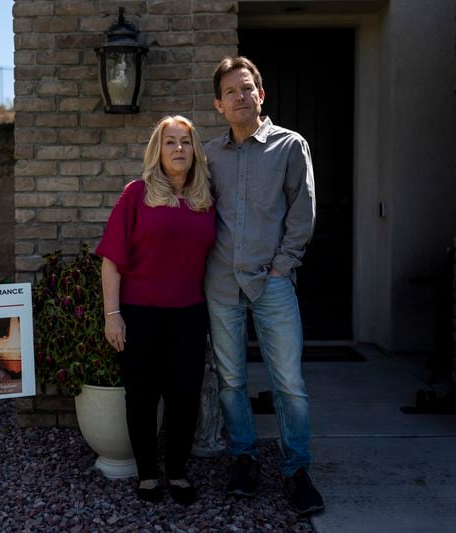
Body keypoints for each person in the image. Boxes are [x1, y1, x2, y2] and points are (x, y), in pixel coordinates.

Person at [204, 56, 324, 515]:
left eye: (247, 88)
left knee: (289, 383)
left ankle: (296, 469)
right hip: (220, 284)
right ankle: (245, 461)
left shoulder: (291, 146)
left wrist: (283, 265)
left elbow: (303, 213)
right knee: (231, 380)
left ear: (261, 94)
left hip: (272, 283)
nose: (240, 97)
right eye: (231, 91)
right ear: (219, 104)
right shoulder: (209, 154)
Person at [96, 115, 216, 506]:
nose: (179, 149)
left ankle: (177, 472)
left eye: (186, 142)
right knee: (142, 395)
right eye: (170, 142)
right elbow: (111, 259)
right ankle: (148, 473)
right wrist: (112, 315)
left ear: (195, 150)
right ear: (158, 150)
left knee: (185, 394)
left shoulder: (206, 199)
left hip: (190, 313)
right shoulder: (136, 194)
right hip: (141, 313)